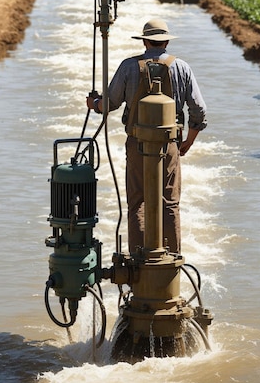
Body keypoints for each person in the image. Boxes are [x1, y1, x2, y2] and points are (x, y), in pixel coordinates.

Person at [87, 18, 207, 254]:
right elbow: (199, 111)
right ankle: (172, 260)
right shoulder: (182, 67)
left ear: (144, 41)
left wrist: (95, 103)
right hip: (170, 144)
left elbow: (109, 104)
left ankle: (138, 260)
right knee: (170, 203)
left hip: (137, 145)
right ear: (166, 41)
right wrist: (188, 142)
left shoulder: (129, 66)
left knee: (137, 203)